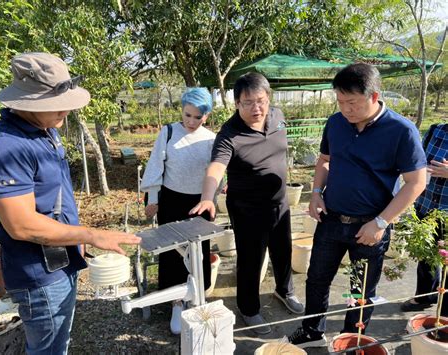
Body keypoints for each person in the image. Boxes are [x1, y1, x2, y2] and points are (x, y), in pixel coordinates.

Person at [0, 52, 141, 355]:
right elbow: (21, 224)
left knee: (58, 342)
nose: (64, 111)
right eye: (54, 106)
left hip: (61, 262)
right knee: (47, 349)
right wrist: (91, 234)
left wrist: (75, 237)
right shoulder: (7, 147)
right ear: (26, 103)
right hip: (40, 275)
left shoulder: (45, 130)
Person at [287, 63, 427, 348]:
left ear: (374, 96)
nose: (345, 109)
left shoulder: (401, 131)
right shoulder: (336, 123)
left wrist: (380, 223)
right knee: (316, 279)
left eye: (351, 102)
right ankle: (312, 331)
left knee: (361, 289)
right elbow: (325, 160)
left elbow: (416, 182)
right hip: (332, 219)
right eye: (340, 101)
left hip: (370, 224)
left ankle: (352, 339)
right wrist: (315, 193)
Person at [190, 72, 304, 336]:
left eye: (261, 101)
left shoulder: (277, 116)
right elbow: (216, 168)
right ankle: (248, 308)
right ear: (237, 104)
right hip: (247, 209)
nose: (257, 108)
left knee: (283, 249)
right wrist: (207, 197)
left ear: (269, 98)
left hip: (280, 202)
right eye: (248, 102)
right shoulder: (229, 135)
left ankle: (284, 291)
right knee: (251, 260)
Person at [140, 87, 215, 335]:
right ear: (181, 111)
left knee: (198, 250)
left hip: (199, 202)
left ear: (206, 115)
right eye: (187, 115)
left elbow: (216, 172)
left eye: (197, 117)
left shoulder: (211, 139)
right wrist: (152, 197)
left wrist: (214, 196)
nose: (191, 121)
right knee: (172, 250)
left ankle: (196, 296)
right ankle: (176, 302)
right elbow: (155, 164)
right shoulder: (169, 132)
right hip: (171, 199)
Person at [400, 123, 447, 315]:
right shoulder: (437, 130)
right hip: (427, 206)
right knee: (426, 256)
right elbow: (418, 160)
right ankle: (424, 296)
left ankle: (444, 316)